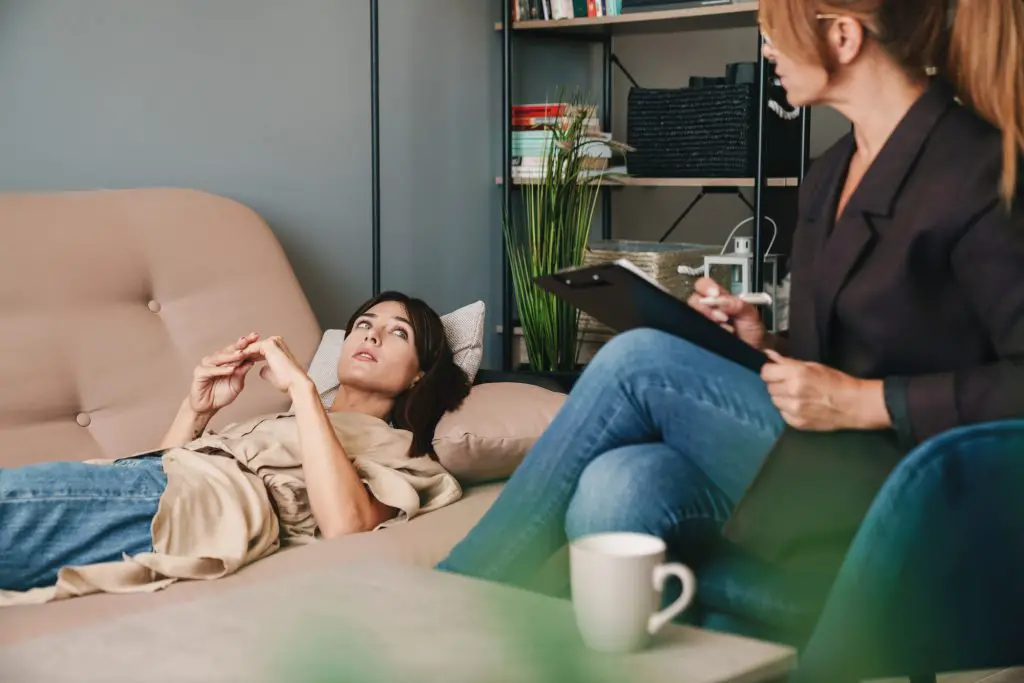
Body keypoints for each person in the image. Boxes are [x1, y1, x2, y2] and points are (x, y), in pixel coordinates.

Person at [437, 0, 1024, 599]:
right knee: (620, 483)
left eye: (775, 33)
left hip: (913, 481)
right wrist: (762, 343)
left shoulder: (977, 171)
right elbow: (847, 348)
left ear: (844, 37)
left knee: (637, 360)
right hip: (825, 456)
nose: (766, 50)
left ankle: (457, 595)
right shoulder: (831, 172)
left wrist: (866, 402)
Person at [0, 291, 470, 603]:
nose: (371, 334)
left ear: (419, 374)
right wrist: (197, 408)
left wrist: (304, 390)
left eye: (398, 332)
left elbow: (345, 525)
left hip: (187, 506)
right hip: (152, 488)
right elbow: (162, 472)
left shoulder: (401, 451)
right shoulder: (288, 421)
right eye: (364, 324)